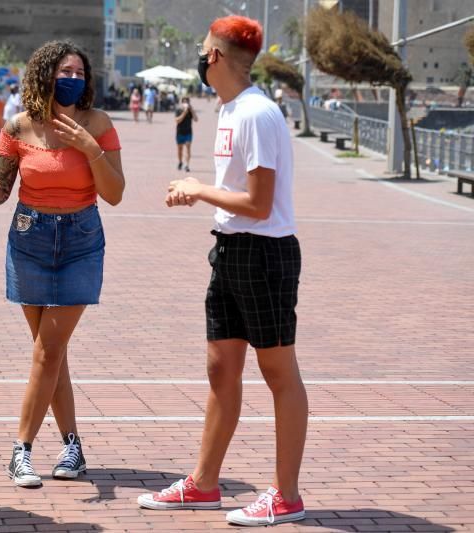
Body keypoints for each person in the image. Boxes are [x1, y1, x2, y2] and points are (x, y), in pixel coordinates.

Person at [137, 15, 307, 527]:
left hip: (265, 254)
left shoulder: (257, 114)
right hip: (231, 249)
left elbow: (259, 202)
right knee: (220, 368)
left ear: (215, 57)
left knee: (279, 374)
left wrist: (197, 188)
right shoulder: (232, 109)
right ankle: (203, 485)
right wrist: (205, 197)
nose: (198, 54)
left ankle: (286, 495)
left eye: (203, 48)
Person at [0, 40, 125, 489]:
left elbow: (115, 193)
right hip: (29, 241)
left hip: (81, 243)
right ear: (45, 75)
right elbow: (0, 191)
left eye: (80, 72)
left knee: (47, 352)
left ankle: (21, 451)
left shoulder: (99, 124)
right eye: (65, 71)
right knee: (51, 355)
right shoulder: (18, 127)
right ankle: (72, 445)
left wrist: (90, 148)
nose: (74, 79)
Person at [174, 96, 198, 172]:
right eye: (184, 101)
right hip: (180, 132)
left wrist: (192, 110)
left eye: (187, 102)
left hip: (188, 132)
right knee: (180, 149)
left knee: (188, 147)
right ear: (181, 102)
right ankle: (180, 162)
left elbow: (196, 119)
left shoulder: (190, 111)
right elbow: (177, 120)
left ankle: (187, 165)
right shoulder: (178, 110)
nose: (185, 103)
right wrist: (184, 113)